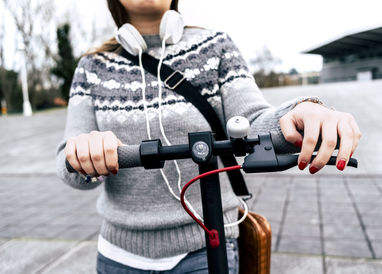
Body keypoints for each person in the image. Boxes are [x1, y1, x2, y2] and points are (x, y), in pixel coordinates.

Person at [56, 0, 361, 273]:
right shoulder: (91, 67)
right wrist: (81, 155)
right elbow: (67, 165)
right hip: (118, 257)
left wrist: (299, 113)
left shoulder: (215, 46)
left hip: (206, 247)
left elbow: (253, 121)